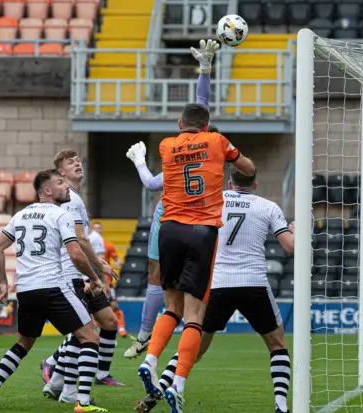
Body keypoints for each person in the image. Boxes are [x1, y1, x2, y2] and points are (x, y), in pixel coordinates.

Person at [137, 38, 256, 412]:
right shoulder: (218, 141)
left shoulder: (167, 147)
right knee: (195, 315)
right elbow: (249, 170)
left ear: (178, 125)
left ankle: (150, 360)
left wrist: (204, 71)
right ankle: (180, 383)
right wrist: (229, 156)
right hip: (202, 230)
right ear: (207, 127)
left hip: (168, 228)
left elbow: (196, 115)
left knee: (169, 307)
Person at [135, 169, 294, 413]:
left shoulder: (213, 201)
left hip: (216, 283)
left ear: (230, 182)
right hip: (253, 283)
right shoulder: (268, 206)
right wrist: (299, 231)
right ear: (255, 184)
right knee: (277, 344)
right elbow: (289, 247)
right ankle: (281, 406)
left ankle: (159, 393)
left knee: (193, 348)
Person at [0, 169, 109, 413]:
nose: (66, 187)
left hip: (26, 290)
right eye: (59, 183)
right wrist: (95, 278)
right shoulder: (60, 214)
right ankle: (82, 402)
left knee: (23, 343)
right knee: (90, 337)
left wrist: (2, 283)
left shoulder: (21, 215)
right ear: (46, 190)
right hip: (53, 286)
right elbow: (76, 254)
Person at [124, 40, 217, 359]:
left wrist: (138, 160)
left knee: (159, 276)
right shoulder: (208, 146)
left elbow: (151, 183)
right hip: (199, 220)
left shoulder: (181, 152)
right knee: (172, 282)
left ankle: (148, 336)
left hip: (171, 218)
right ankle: (150, 336)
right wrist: (205, 70)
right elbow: (201, 103)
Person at [41, 149, 124, 396]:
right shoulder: (71, 200)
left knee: (107, 321)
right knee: (84, 330)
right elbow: (79, 240)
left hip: (79, 271)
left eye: (78, 160)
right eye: (70, 162)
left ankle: (60, 379)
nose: (77, 163)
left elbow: (81, 240)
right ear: (61, 172)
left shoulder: (75, 197)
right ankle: (62, 383)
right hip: (71, 272)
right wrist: (99, 269)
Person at [91, 222, 127, 338]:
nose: (97, 230)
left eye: (99, 228)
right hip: (93, 280)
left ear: (102, 230)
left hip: (107, 280)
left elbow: (118, 260)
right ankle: (97, 333)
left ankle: (120, 330)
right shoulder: (88, 243)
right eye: (95, 229)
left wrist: (116, 264)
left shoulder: (108, 245)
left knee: (112, 306)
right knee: (94, 308)